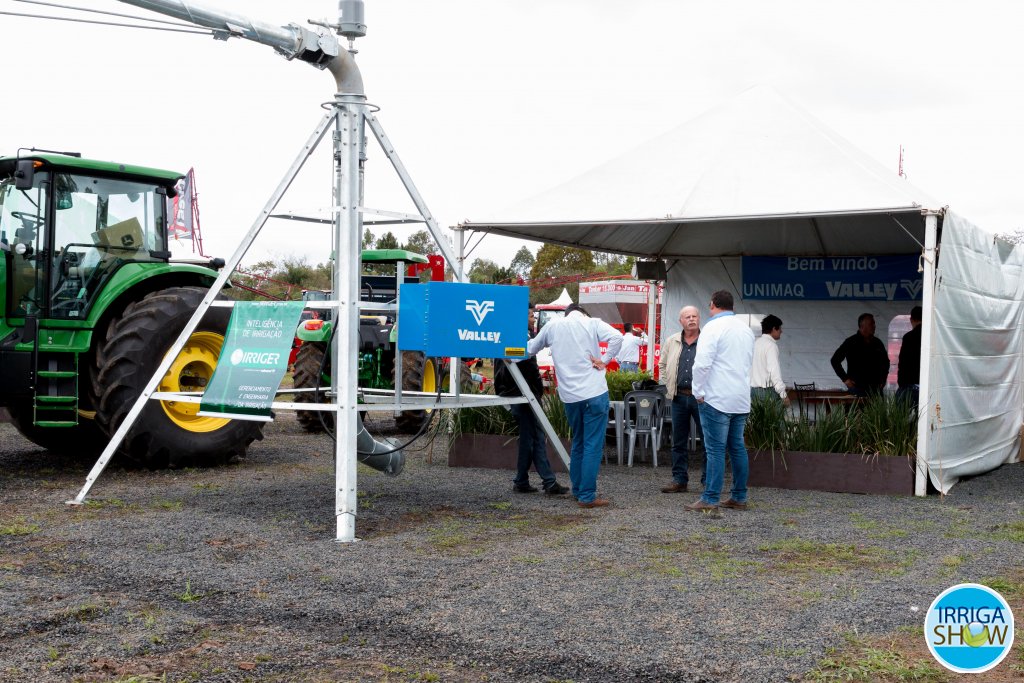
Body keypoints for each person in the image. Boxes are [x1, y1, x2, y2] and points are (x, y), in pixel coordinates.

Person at [528, 303, 622, 508]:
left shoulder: (552, 326)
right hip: (594, 392)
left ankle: (579, 489)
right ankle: (587, 495)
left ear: (566, 314)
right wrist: (604, 360)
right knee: (592, 445)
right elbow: (617, 338)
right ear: (583, 313)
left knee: (578, 441)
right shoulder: (592, 323)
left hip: (570, 396)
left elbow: (530, 349)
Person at [685, 290, 755, 512]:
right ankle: (739, 496)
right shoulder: (746, 329)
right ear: (731, 305)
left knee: (715, 450)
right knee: (737, 448)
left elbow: (702, 364)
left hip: (717, 397)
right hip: (740, 397)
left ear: (713, 304)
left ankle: (710, 497)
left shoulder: (712, 327)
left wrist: (697, 391)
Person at [494, 306, 570, 495]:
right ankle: (545, 481)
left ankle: (527, 480)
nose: (533, 318)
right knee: (533, 437)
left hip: (516, 393)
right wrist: (537, 391)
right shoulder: (522, 339)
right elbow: (530, 369)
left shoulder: (507, 335)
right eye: (530, 315)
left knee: (530, 437)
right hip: (524, 394)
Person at [658, 305, 704, 493]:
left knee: (707, 441)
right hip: (678, 397)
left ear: (699, 319)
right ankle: (679, 480)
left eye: (694, 316)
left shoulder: (707, 340)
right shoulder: (672, 341)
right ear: (681, 321)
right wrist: (666, 385)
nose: (691, 319)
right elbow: (662, 365)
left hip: (702, 399)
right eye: (687, 317)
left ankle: (707, 481)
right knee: (678, 442)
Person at [830, 313, 890, 397]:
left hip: (876, 389)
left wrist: (883, 379)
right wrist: (845, 379)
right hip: (857, 388)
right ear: (862, 326)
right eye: (871, 324)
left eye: (874, 324)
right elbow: (835, 360)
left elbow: (885, 362)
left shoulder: (877, 343)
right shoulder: (851, 342)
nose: (874, 326)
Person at [750, 314, 790, 406]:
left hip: (753, 390)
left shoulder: (755, 344)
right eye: (779, 328)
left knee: (758, 416)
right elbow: (774, 372)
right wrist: (783, 394)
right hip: (767, 392)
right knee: (775, 416)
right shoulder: (771, 346)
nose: (781, 331)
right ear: (774, 329)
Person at [897, 305, 923, 406]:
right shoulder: (930, 336)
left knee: (902, 414)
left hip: (909, 384)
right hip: (925, 385)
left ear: (911, 319)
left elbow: (902, 362)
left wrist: (901, 383)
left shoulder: (908, 337)